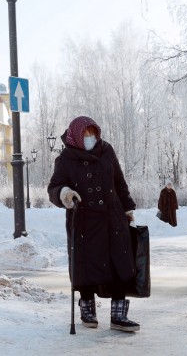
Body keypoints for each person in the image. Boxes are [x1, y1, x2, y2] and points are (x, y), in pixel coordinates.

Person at [47, 116, 140, 332]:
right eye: (85, 134)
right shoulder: (65, 159)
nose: (90, 138)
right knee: (86, 265)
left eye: (92, 133)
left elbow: (119, 181)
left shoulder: (107, 150)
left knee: (119, 262)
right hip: (84, 221)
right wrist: (64, 193)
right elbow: (54, 187)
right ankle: (87, 307)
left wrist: (128, 208)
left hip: (112, 217)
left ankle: (118, 315)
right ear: (76, 137)